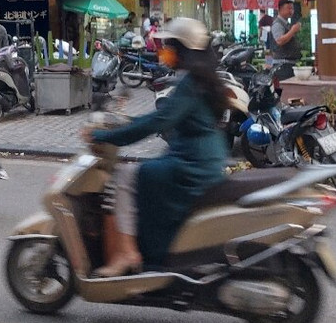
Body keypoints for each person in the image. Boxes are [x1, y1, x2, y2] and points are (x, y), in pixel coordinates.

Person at [85, 18, 229, 275]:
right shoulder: (202, 79)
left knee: (124, 176)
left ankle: (127, 254)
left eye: (170, 46)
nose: (164, 51)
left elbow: (159, 121)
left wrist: (105, 136)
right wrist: (126, 122)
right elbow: (159, 118)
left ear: (183, 49)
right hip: (201, 159)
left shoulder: (190, 83)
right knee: (146, 172)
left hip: (191, 166)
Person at [268, 0, 302, 73]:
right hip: (282, 65)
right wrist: (292, 31)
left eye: (292, 9)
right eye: (288, 8)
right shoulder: (277, 24)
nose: (291, 11)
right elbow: (279, 41)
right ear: (280, 9)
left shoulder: (286, 24)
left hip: (288, 64)